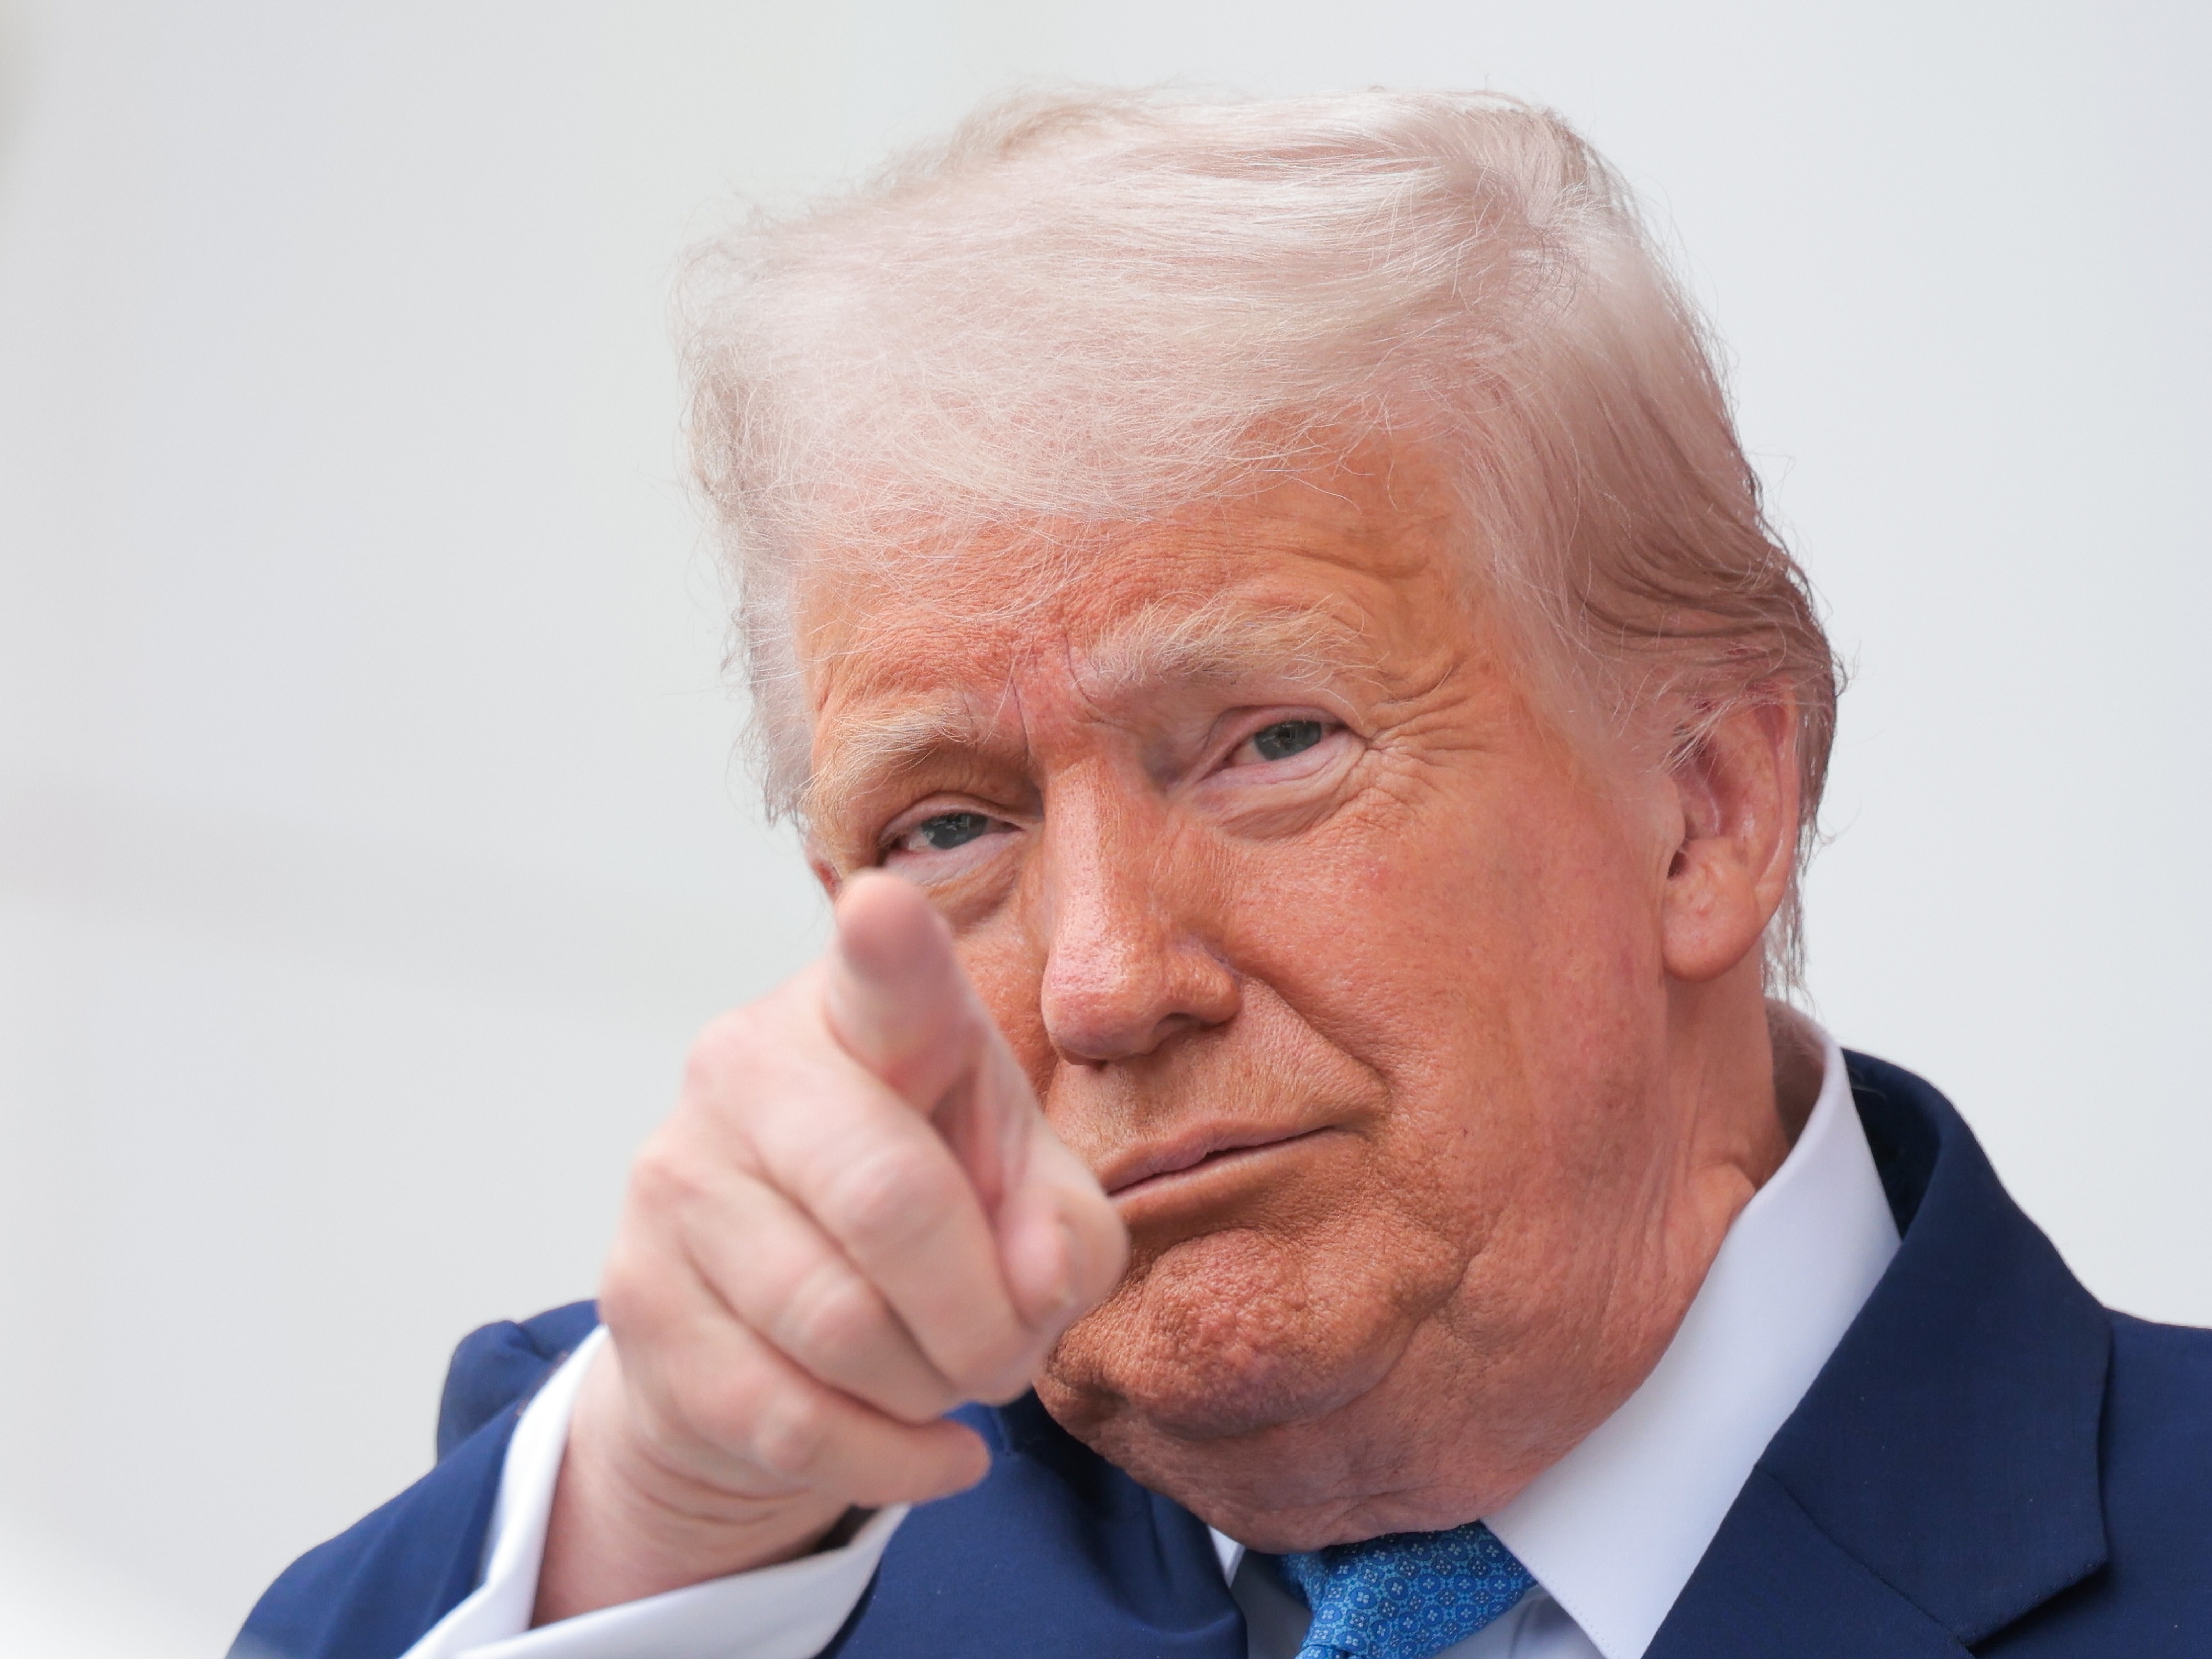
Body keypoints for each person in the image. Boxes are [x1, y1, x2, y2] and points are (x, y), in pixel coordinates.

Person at [233, 90, 2212, 1659]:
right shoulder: (701, 1554)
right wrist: (655, 1524)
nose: (1100, 982)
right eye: (950, 826)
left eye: (1272, 744)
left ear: (1708, 805)